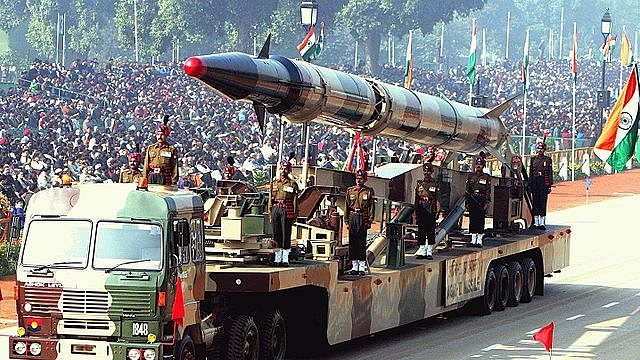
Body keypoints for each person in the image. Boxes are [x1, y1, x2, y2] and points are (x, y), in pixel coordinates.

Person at [269, 160, 299, 267]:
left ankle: (285, 258)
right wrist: (270, 212)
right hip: (276, 209)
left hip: (287, 209)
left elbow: (295, 201)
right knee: (276, 233)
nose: (283, 171)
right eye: (281, 169)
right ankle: (277, 258)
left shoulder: (292, 184)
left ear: (289, 170)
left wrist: (295, 215)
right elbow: (270, 199)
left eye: (285, 169)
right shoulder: (275, 183)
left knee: (286, 233)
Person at [345, 169, 375, 275]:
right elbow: (347, 207)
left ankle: (362, 267)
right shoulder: (350, 190)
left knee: (361, 242)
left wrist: (370, 220)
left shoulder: (368, 191)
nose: (359, 180)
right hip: (353, 216)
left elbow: (371, 207)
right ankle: (354, 266)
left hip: (363, 217)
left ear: (365, 179)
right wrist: (346, 220)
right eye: (357, 178)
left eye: (361, 178)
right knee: (353, 241)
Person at [142, 116, 179, 185]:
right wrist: (144, 177)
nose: (159, 137)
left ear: (166, 135)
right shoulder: (151, 148)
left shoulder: (171, 149)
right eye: (158, 134)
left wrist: (174, 180)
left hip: (164, 176)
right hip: (152, 175)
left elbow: (174, 166)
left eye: (162, 134)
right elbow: (146, 165)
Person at [414, 162, 439, 259]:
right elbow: (416, 198)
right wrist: (415, 212)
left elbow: (438, 198)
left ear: (431, 172)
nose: (426, 173)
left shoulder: (435, 184)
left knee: (430, 229)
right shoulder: (419, 183)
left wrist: (437, 210)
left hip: (431, 207)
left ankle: (429, 251)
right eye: (425, 171)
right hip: (421, 208)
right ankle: (422, 250)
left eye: (428, 171)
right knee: (421, 229)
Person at [466, 156, 491, 247]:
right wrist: (467, 202)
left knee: (480, 219)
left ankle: (479, 239)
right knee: (473, 219)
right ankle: (473, 239)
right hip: (473, 198)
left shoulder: (486, 177)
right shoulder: (471, 176)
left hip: (481, 199)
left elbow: (488, 190)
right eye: (477, 164)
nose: (478, 166)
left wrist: (487, 202)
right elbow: (467, 190)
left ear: (483, 166)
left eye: (480, 164)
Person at [529, 141, 553, 230]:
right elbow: (531, 173)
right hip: (535, 181)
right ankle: (536, 222)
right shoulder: (533, 159)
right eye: (539, 148)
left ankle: (542, 222)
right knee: (536, 202)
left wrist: (549, 185)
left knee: (543, 202)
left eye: (541, 148)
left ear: (544, 149)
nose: (540, 150)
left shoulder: (547, 159)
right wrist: (530, 184)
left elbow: (550, 172)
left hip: (543, 181)